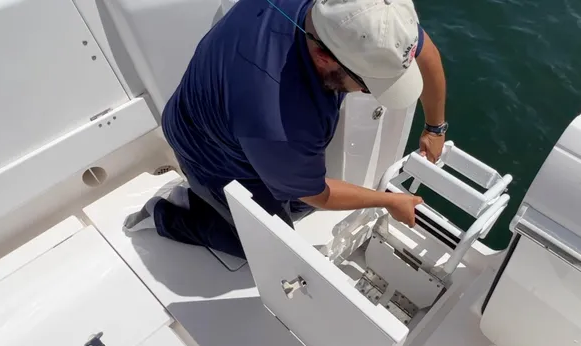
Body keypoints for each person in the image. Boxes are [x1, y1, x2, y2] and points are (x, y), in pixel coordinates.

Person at [124, 0, 448, 259]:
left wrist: (435, 127)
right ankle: (167, 215)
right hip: (206, 149)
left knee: (295, 201)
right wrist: (388, 201)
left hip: (230, 111)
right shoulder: (279, 122)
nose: (369, 93)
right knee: (262, 250)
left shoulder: (367, 15)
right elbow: (318, 194)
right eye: (368, 84)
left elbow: (424, 49)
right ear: (324, 57)